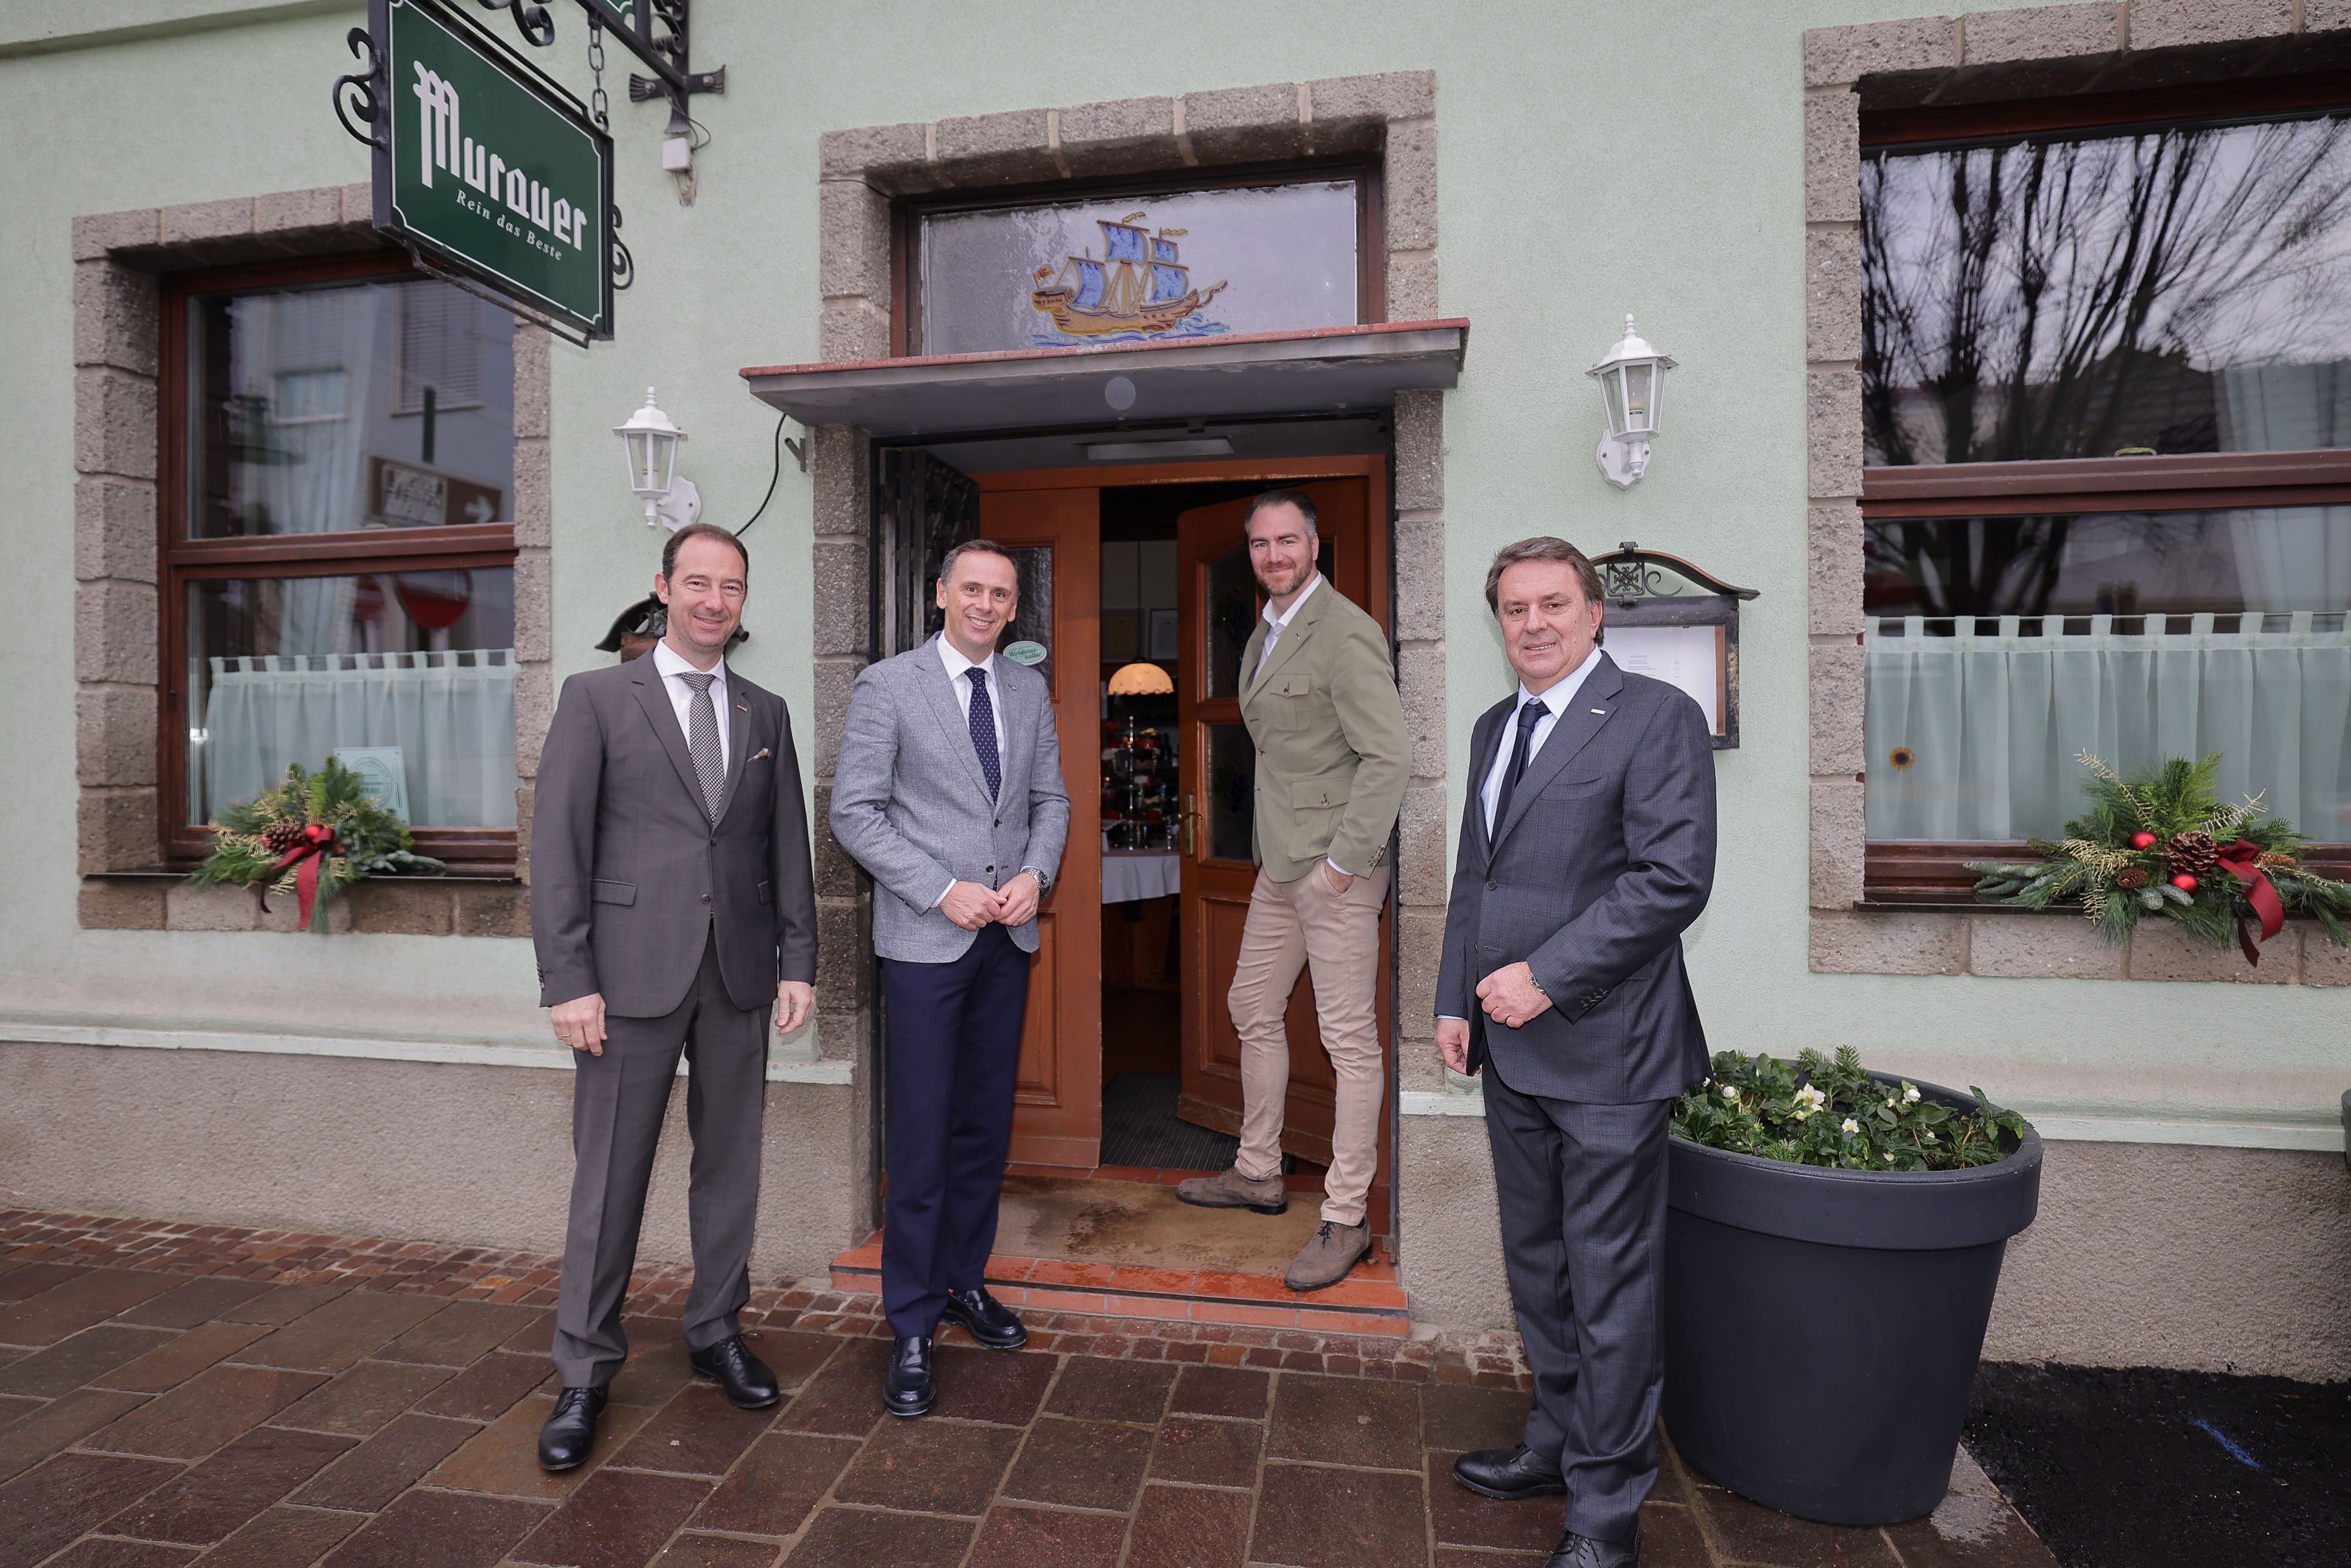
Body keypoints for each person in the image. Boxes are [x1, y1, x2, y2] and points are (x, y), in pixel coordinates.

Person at [1436, 537, 1716, 1568]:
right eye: (1515, 609)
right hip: (1507, 1051)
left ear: (1597, 614)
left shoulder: (1655, 718)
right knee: (1541, 1272)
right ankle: (1554, 1444)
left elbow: (1671, 880)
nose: (1535, 624)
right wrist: (1454, 996)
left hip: (1608, 1055)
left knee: (1610, 1288)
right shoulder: (1491, 729)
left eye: (1555, 604)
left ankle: (1606, 1513)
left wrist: (1545, 977)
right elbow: (1478, 878)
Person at [529, 522, 819, 1472]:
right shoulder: (598, 698)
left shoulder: (767, 713)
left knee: (730, 1169)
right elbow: (560, 854)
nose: (713, 601)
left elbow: (787, 852)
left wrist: (798, 961)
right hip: (627, 980)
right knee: (608, 1179)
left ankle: (715, 1332)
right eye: (697, 583)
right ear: (664, 589)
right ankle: (584, 1370)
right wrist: (568, 980)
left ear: (743, 601)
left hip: (737, 975)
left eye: (730, 587)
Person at [830, 538, 1070, 1418]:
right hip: (926, 944)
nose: (985, 604)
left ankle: (965, 1282)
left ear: (1013, 608)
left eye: (1000, 594)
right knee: (923, 1138)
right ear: (940, 594)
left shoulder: (1027, 688)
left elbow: (1052, 802)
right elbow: (853, 811)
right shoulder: (888, 686)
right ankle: (914, 1323)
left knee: (981, 1129)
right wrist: (942, 890)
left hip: (1008, 943)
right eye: (971, 589)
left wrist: (1035, 877)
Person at [1175, 490, 1411, 1292]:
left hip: (1334, 866)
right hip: (1281, 862)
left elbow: (1389, 758)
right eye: (1260, 544)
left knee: (1349, 1042)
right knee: (1250, 1006)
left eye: (1288, 541)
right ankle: (1259, 1169)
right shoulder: (1267, 628)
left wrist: (1344, 863)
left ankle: (1346, 1217)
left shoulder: (1345, 632)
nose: (1274, 555)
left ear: (1314, 545)